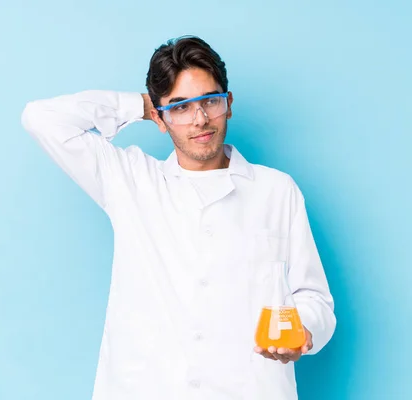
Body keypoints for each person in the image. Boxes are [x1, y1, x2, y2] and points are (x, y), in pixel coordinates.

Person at [21, 35, 336, 399]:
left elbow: (314, 299)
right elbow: (41, 118)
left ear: (228, 104)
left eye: (209, 101)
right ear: (159, 116)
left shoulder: (276, 190)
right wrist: (142, 104)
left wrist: (303, 332)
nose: (200, 120)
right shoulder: (130, 181)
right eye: (181, 107)